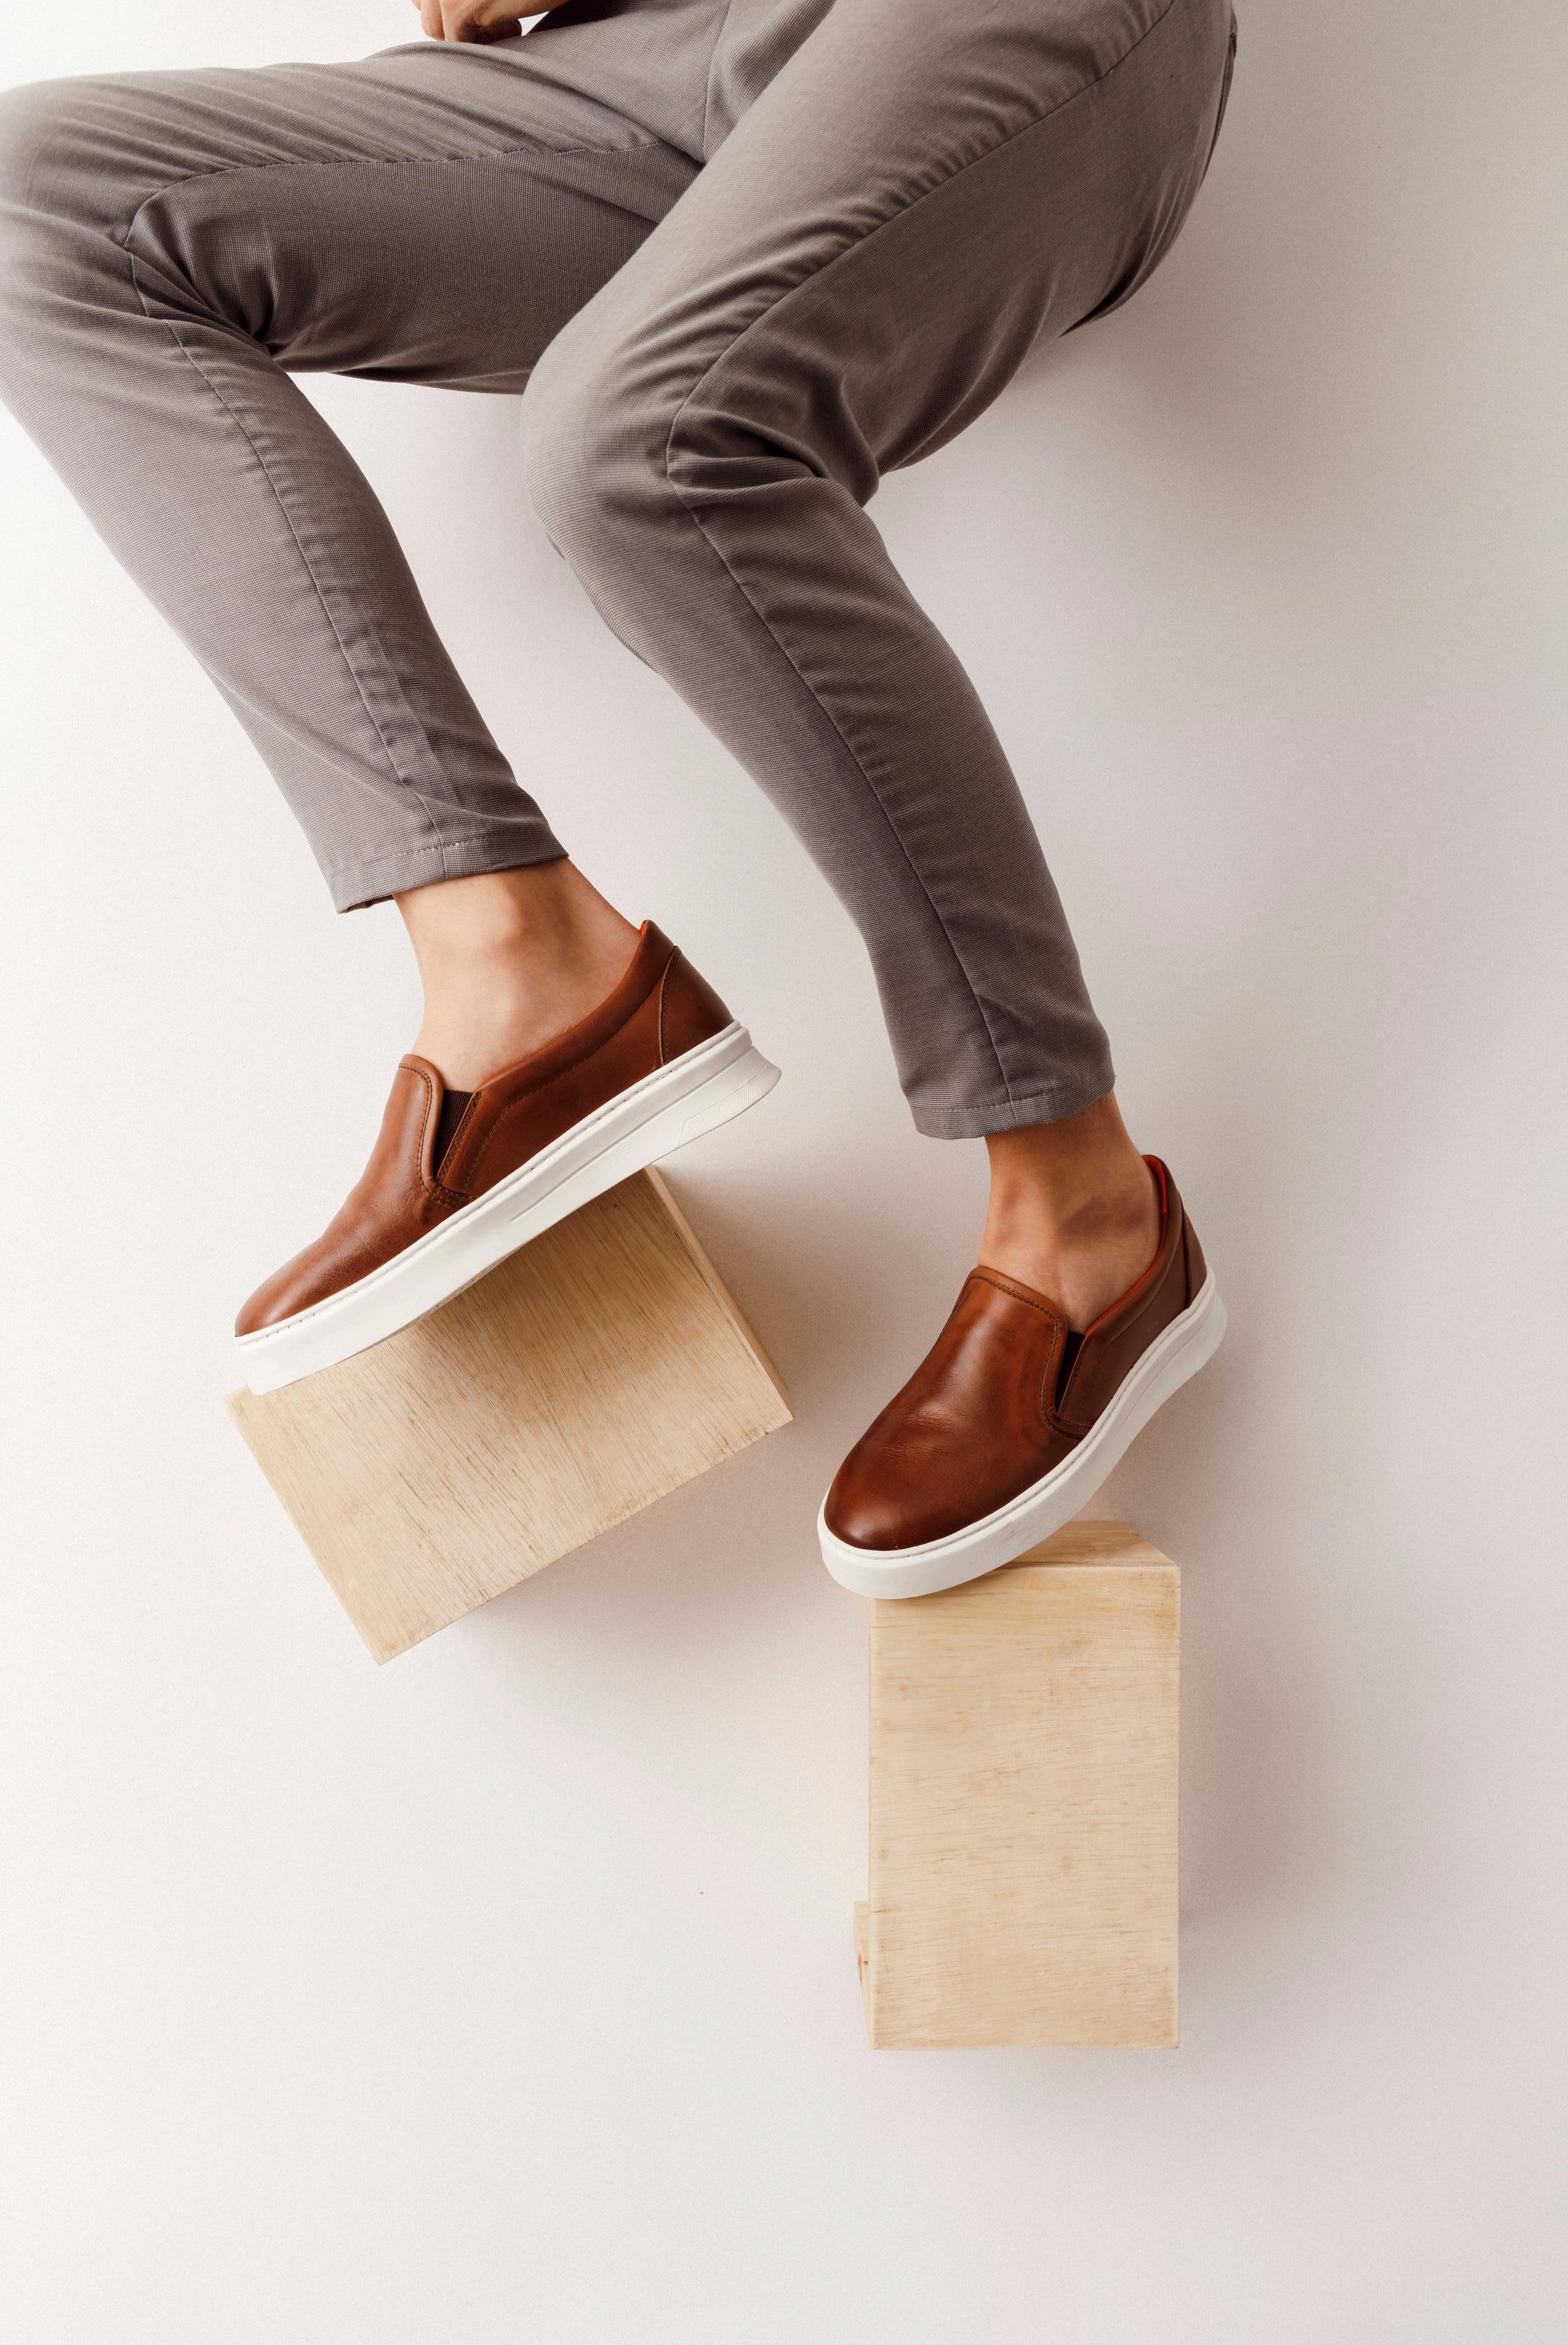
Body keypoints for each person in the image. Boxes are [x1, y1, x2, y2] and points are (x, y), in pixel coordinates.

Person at [0, 0, 1235, 1596]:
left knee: (639, 442)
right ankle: (515, 956)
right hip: (654, 52)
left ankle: (1082, 1215)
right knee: (44, 195)